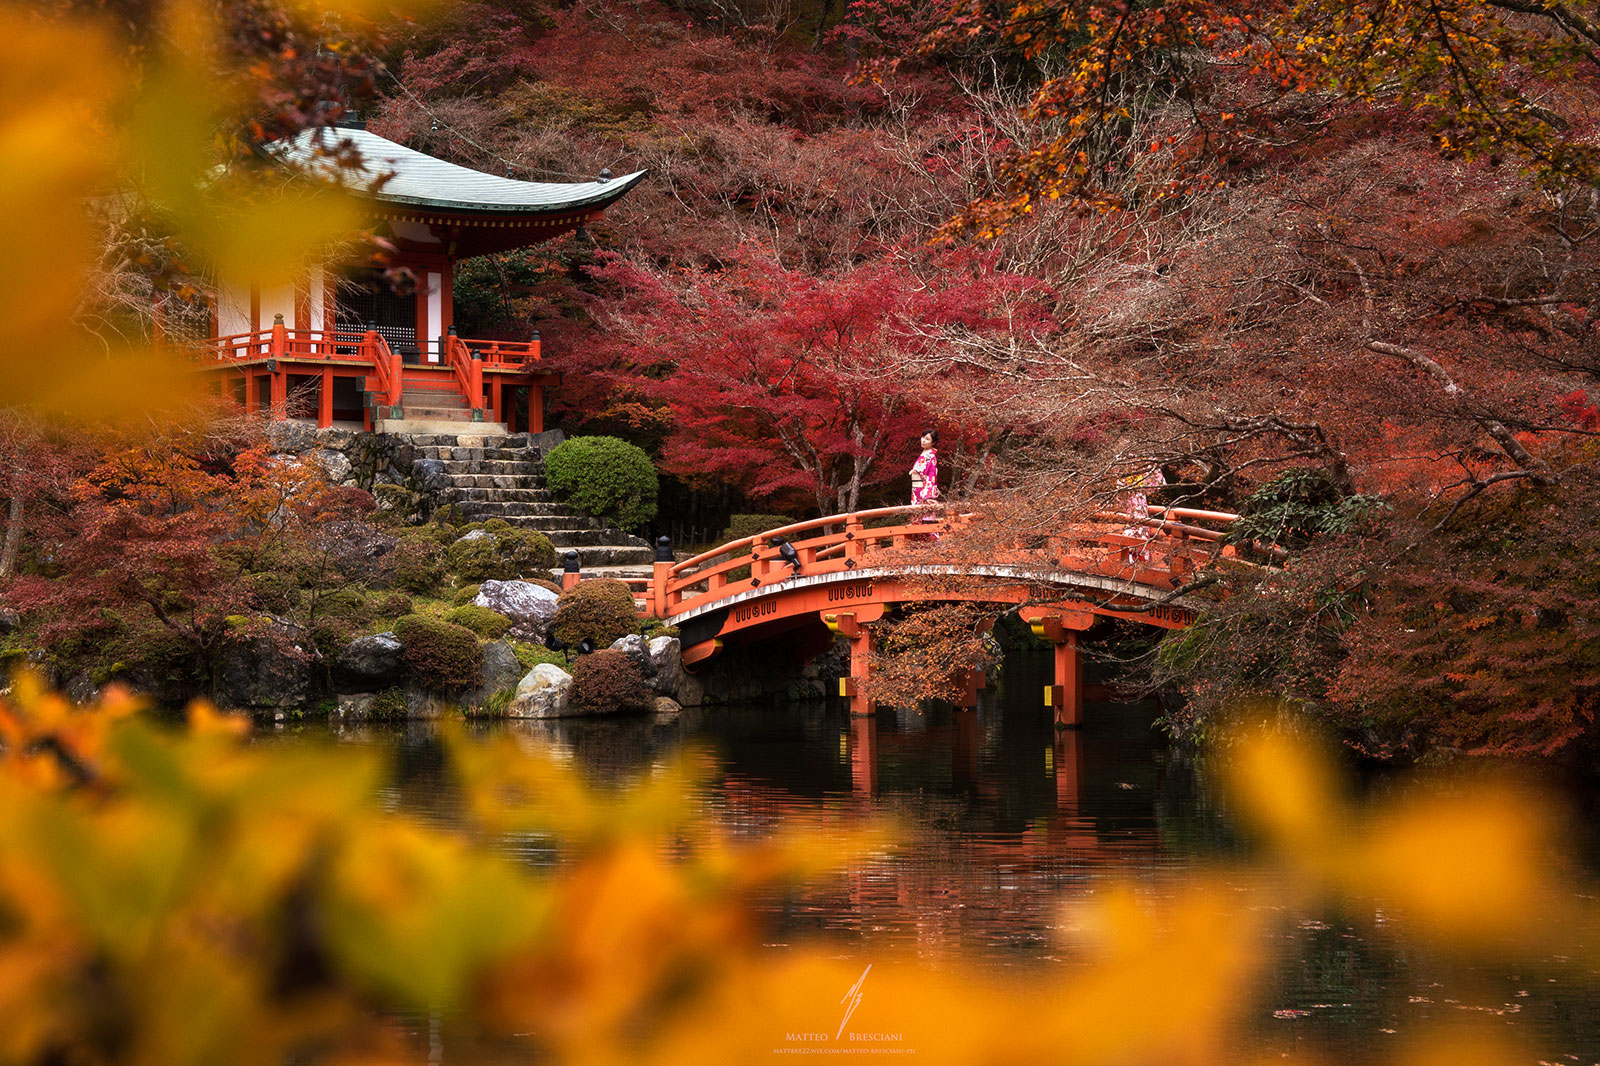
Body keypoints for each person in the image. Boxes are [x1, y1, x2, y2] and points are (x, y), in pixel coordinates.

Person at [1119, 458, 1166, 564]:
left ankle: (1134, 555)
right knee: (1138, 524)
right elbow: (1156, 484)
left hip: (1132, 496)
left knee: (1138, 524)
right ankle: (1135, 555)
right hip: (1134, 497)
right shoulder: (1144, 458)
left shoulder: (1128, 458)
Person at [910, 430, 940, 506]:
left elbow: (931, 476)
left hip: (922, 490)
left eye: (927, 439)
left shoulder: (930, 457)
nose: (923, 440)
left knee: (921, 513)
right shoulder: (924, 454)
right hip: (916, 489)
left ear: (933, 442)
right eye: (923, 437)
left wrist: (928, 495)